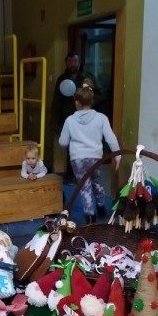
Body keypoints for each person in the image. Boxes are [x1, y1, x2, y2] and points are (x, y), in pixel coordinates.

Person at [59, 85, 120, 224]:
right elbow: (110, 138)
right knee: (97, 181)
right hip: (95, 157)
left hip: (78, 159)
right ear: (91, 101)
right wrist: (117, 155)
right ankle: (101, 207)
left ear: (77, 102)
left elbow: (63, 142)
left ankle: (90, 217)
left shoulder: (70, 120)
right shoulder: (101, 118)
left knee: (84, 186)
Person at [52, 51, 99, 132]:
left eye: (75, 61)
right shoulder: (62, 79)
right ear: (66, 63)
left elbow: (99, 94)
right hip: (66, 118)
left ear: (79, 62)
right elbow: (56, 100)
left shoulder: (88, 77)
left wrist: (88, 103)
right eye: (69, 61)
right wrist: (54, 121)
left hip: (85, 118)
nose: (72, 64)